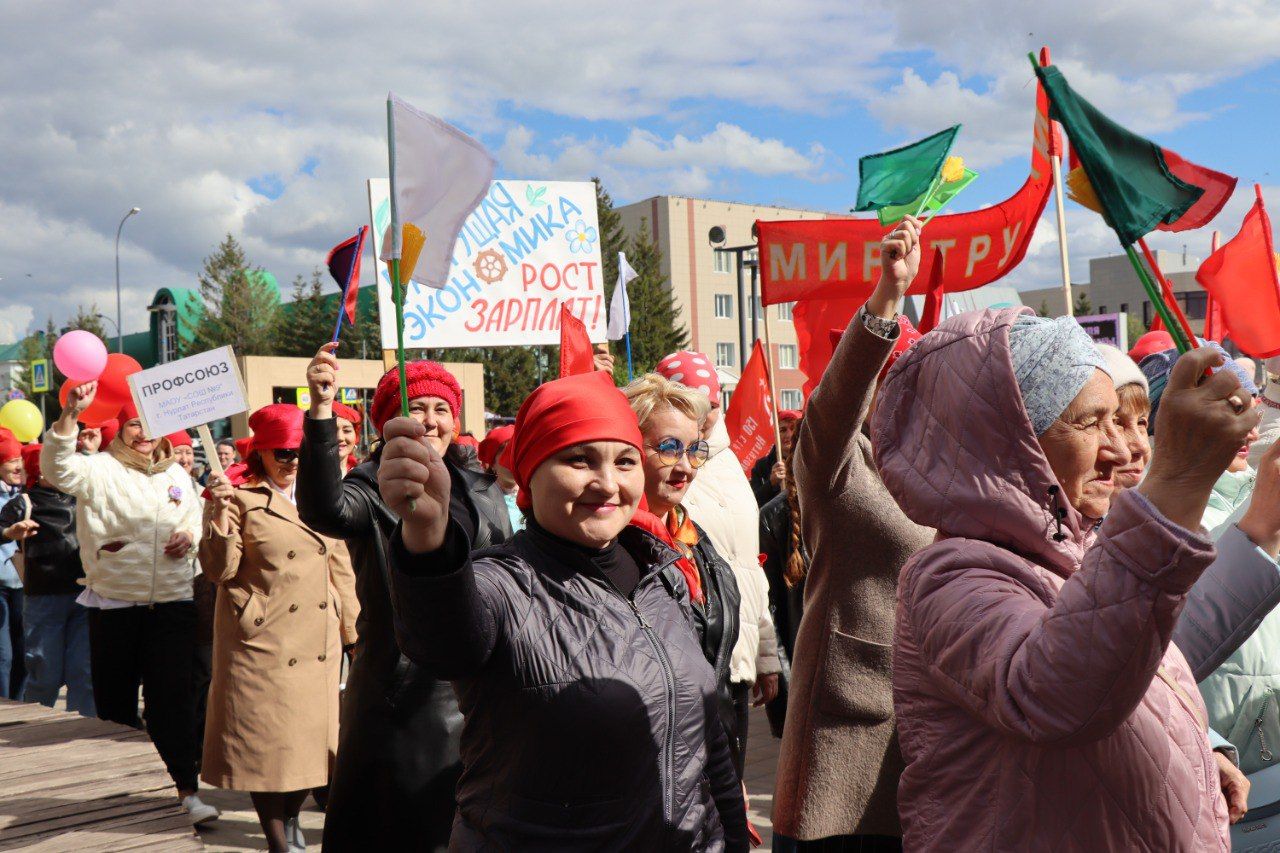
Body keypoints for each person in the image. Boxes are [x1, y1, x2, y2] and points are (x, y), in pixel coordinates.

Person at [875, 297, 1259, 848]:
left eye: (1127, 422)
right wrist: (1177, 482)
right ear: (1015, 442)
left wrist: (1195, 747)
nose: (1124, 447)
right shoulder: (949, 576)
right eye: (1091, 422)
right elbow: (1056, 694)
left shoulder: (1074, 549)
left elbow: (1130, 670)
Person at [380, 369, 748, 850]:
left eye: (626, 461)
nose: (608, 483)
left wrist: (733, 839)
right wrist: (428, 539)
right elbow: (443, 638)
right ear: (532, 472)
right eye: (579, 459)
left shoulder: (666, 573)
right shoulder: (503, 583)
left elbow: (707, 743)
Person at [296, 343, 512, 850]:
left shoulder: (482, 485)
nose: (431, 421)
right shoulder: (372, 486)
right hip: (406, 694)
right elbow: (324, 508)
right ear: (390, 422)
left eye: (442, 410)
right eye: (417, 408)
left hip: (481, 693)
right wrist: (322, 409)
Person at [771, 219, 934, 852]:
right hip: (850, 736)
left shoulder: (947, 474)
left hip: (932, 735)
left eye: (911, 382)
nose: (897, 395)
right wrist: (887, 300)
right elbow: (833, 407)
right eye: (886, 378)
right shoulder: (836, 466)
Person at [40, 388, 216, 825]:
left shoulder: (176, 474)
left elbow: (193, 519)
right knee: (116, 706)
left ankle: (185, 792)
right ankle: (120, 792)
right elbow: (56, 467)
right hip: (115, 604)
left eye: (151, 424)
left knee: (173, 704)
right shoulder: (99, 469)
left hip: (173, 603)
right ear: (120, 427)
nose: (145, 433)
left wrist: (190, 538)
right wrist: (70, 415)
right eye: (135, 423)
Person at [201, 404, 358, 853]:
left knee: (311, 747)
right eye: (281, 452)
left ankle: (290, 817)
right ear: (262, 454)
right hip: (262, 642)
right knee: (268, 748)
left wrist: (353, 631)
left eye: (299, 451)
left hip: (317, 642)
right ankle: (277, 841)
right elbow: (218, 569)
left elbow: (340, 566)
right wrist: (217, 516)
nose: (291, 461)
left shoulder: (323, 496)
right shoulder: (239, 499)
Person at [656, 351, 782, 772]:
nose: (704, 415)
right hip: (686, 659)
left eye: (710, 404)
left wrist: (764, 656)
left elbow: (750, 569)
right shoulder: (658, 467)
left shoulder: (730, 465)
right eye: (689, 403)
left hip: (736, 661)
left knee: (731, 792)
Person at [624, 373, 746, 774]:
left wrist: (727, 771)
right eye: (669, 448)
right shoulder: (611, 551)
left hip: (709, 761)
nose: (686, 467)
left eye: (695, 450)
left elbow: (714, 670)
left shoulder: (693, 539)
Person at [0, 444, 92, 715]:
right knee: (44, 673)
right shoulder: (25, 502)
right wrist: (10, 532)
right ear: (39, 471)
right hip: (43, 599)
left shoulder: (81, 497)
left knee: (83, 672)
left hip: (84, 596)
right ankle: (36, 729)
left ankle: (83, 729)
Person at [758, 414, 808, 739]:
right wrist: (773, 664)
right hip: (800, 668)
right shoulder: (774, 516)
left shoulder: (854, 508)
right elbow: (770, 602)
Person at [0, 428, 25, 699]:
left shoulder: (26, 494)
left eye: (19, 458)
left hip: (22, 583)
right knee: (3, 656)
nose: (17, 465)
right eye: (10, 460)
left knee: (23, 652)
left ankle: (19, 705)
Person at [749, 411, 801, 507]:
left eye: (793, 428)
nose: (788, 435)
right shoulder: (761, 467)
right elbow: (752, 503)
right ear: (775, 434)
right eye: (783, 430)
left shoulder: (810, 464)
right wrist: (771, 483)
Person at [478, 424, 523, 532]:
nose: (513, 460)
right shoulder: (481, 500)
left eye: (517, 452)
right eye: (506, 454)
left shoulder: (534, 495)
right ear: (493, 464)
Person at [332, 402, 362, 471]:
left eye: (347, 431)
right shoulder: (305, 474)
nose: (340, 437)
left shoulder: (365, 474)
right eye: (332, 431)